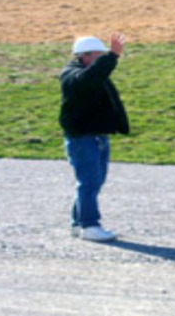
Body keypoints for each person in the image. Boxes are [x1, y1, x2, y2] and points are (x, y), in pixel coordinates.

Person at [59, 34, 129, 242]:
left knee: (93, 181)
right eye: (98, 55)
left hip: (97, 137)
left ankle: (78, 223)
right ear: (84, 57)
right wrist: (112, 57)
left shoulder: (93, 74)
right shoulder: (71, 74)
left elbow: (98, 79)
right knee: (89, 182)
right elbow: (90, 78)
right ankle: (90, 226)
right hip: (82, 138)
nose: (101, 59)